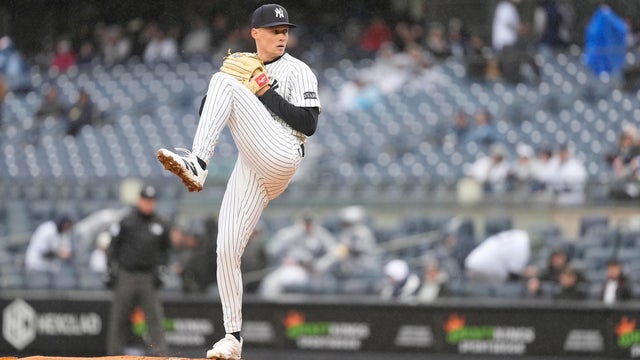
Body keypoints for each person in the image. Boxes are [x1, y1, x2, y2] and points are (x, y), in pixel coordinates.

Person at [156, 4, 320, 359]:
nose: (281, 36)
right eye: (274, 31)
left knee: (221, 80)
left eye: (285, 31)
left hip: (284, 151)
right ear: (255, 33)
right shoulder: (241, 67)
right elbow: (207, 110)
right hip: (253, 165)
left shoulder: (298, 70)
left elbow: (309, 124)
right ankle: (233, 337)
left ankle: (198, 163)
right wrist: (232, 88)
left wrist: (263, 92)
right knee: (226, 248)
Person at [105, 185, 171, 356]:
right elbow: (113, 246)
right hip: (127, 274)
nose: (148, 204)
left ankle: (160, 354)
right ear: (139, 200)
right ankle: (114, 355)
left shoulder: (160, 223)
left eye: (151, 201)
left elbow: (166, 250)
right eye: (145, 200)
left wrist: (162, 270)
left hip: (148, 276)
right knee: (119, 318)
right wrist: (110, 269)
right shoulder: (127, 221)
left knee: (155, 319)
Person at [259, 212, 337, 297]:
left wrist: (320, 265)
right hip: (293, 267)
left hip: (313, 271)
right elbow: (272, 249)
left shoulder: (321, 234)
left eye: (310, 221)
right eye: (305, 221)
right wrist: (283, 259)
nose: (308, 224)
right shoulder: (290, 233)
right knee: (270, 283)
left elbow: (335, 252)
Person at [464, 229, 531, 284]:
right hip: (479, 270)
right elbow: (514, 275)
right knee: (508, 289)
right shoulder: (522, 247)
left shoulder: (521, 236)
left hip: (472, 263)